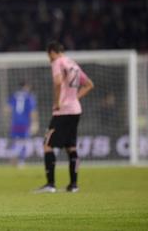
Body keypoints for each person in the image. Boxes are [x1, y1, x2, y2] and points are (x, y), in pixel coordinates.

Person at [36, 41, 94, 193]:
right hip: (75, 111)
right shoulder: (72, 64)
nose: (49, 59)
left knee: (47, 145)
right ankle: (73, 185)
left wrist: (57, 102)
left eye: (49, 55)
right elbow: (89, 84)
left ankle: (50, 184)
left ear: (53, 52)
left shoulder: (58, 62)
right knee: (71, 147)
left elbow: (57, 82)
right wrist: (75, 99)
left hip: (62, 111)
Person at [7, 82, 39, 166]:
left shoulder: (14, 95)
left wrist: (9, 119)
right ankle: (21, 161)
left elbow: (8, 109)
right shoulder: (29, 96)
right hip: (25, 123)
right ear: (26, 86)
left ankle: (13, 159)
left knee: (16, 141)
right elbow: (33, 111)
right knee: (24, 142)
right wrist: (35, 122)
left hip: (15, 122)